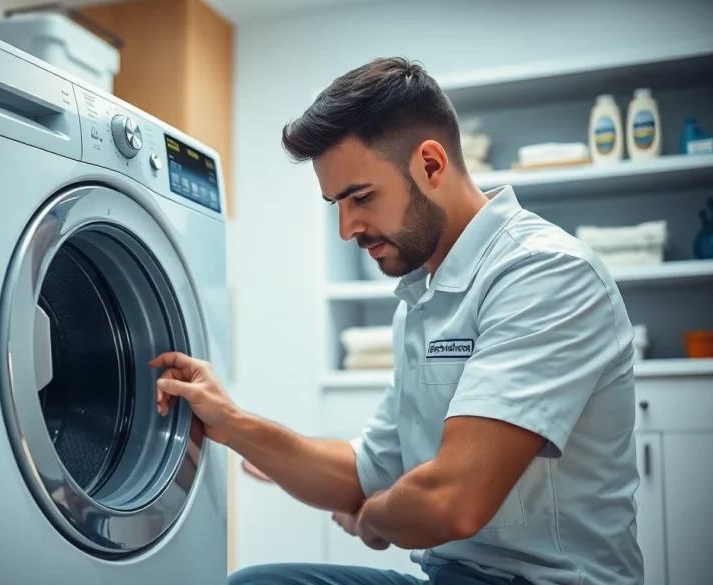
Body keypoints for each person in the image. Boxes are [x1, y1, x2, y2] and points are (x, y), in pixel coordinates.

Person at [150, 57, 643, 585]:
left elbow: (452, 502)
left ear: (430, 165)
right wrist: (233, 424)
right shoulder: (421, 300)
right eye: (336, 205)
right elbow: (364, 472)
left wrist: (371, 517)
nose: (346, 229)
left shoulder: (543, 273)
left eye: (361, 197)